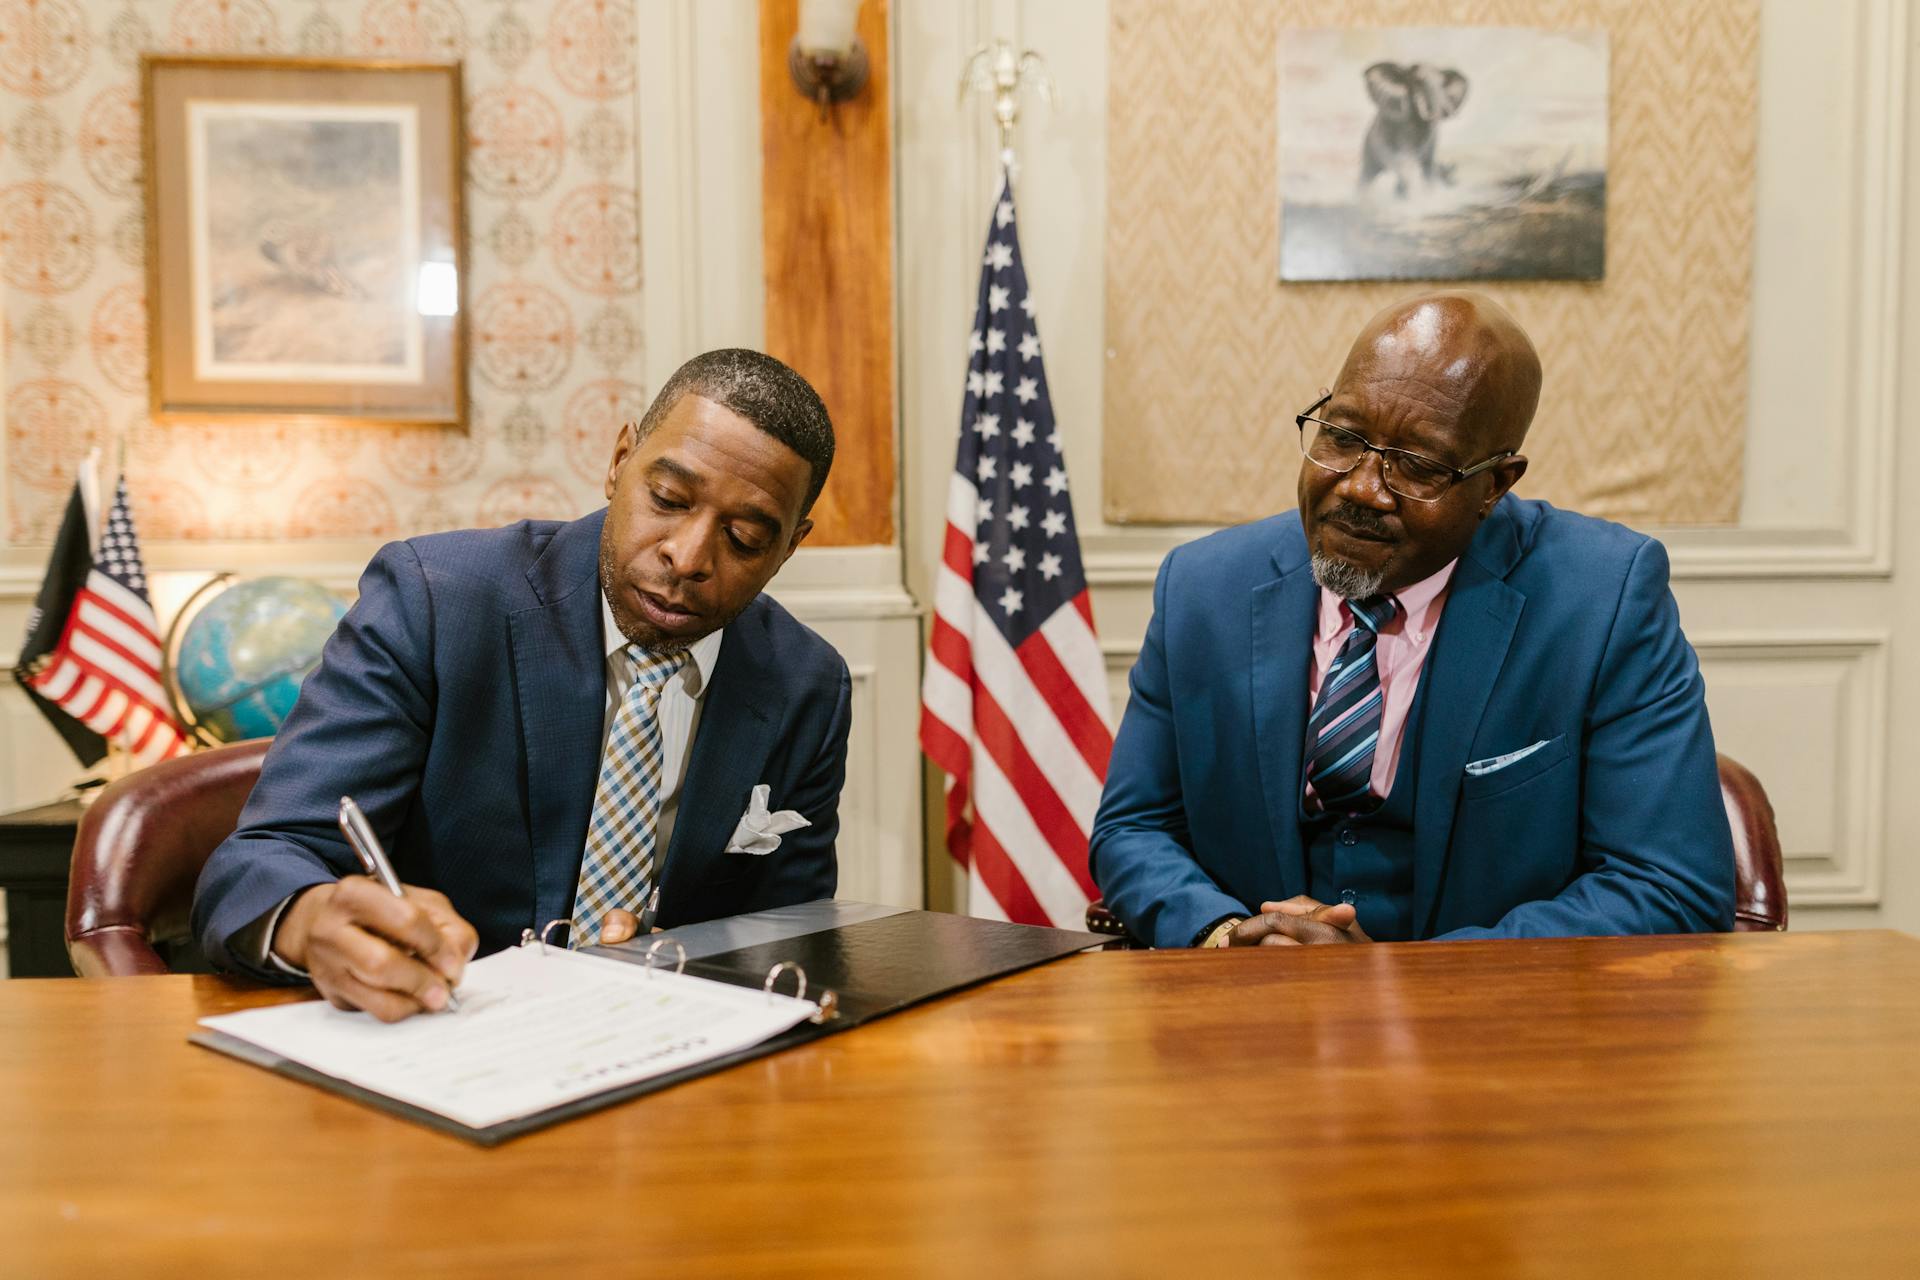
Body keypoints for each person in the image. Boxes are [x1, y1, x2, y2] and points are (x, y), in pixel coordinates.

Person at [193, 349, 851, 1018]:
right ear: (620, 459)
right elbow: (263, 859)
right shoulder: (435, 602)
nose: (688, 556)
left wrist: (686, 962)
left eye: (742, 538)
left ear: (789, 546)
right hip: (437, 1031)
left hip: (659, 1056)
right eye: (669, 499)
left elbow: (790, 936)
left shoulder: (806, 686)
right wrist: (312, 920)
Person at [1090, 292, 1735, 948]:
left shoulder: (1604, 599)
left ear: (1495, 484)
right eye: (1342, 436)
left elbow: (1670, 882)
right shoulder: (1203, 590)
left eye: (1418, 465)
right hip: (1251, 1020)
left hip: (1491, 1036)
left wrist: (1401, 984)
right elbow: (1133, 826)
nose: (1361, 488)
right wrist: (1226, 933)